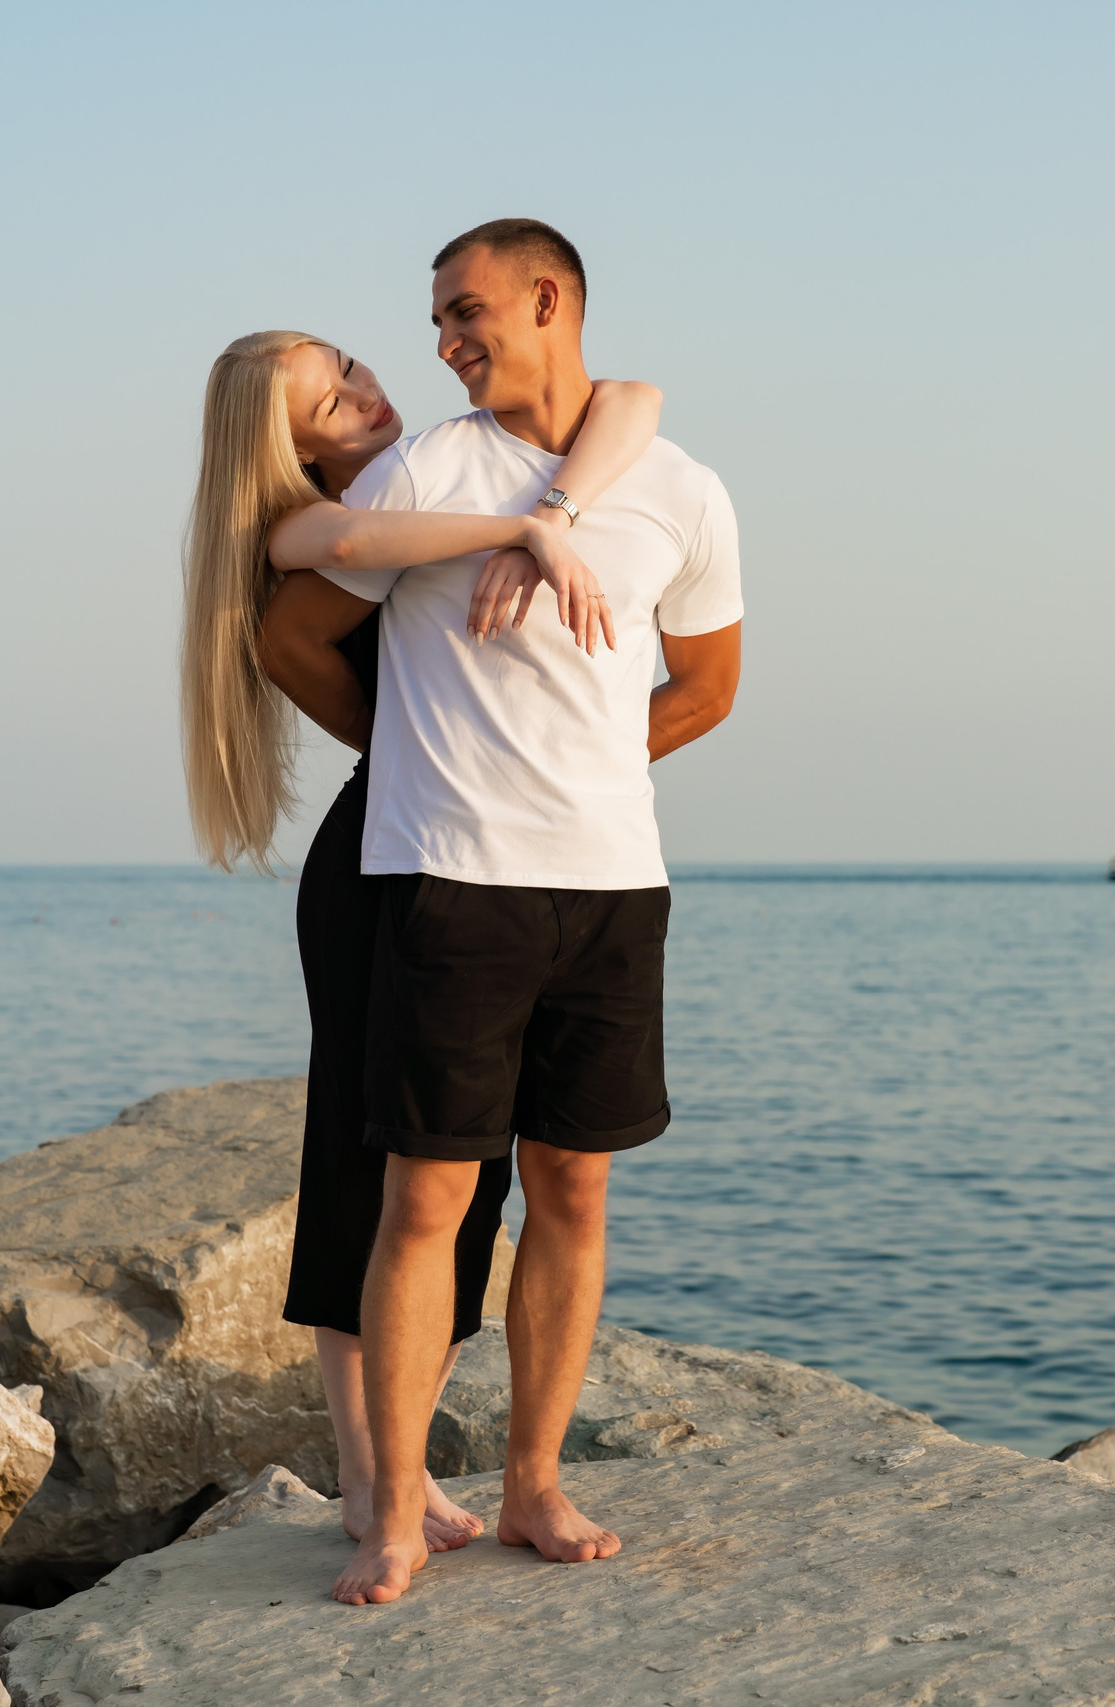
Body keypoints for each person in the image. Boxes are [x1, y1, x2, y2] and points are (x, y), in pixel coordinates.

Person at [261, 219, 742, 1606]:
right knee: (428, 1193)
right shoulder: (429, 467)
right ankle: (396, 1508)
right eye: (435, 320)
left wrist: (582, 767)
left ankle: (532, 1479)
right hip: (450, 881)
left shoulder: (681, 487)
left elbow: (708, 685)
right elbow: (291, 625)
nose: (443, 342)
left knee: (576, 1187)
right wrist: (416, 750)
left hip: (611, 888)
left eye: (465, 312)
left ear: (551, 300)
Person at [179, 328, 664, 1555]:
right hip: (386, 857)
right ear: (281, 450)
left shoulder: (444, 477)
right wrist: (526, 534)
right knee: (376, 1162)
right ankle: (365, 1474)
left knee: (479, 1175)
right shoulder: (317, 524)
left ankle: (404, 1459)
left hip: (473, 847)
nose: (366, 392)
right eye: (327, 401)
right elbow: (326, 586)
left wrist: (545, 508)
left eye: (349, 369)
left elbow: (638, 397)